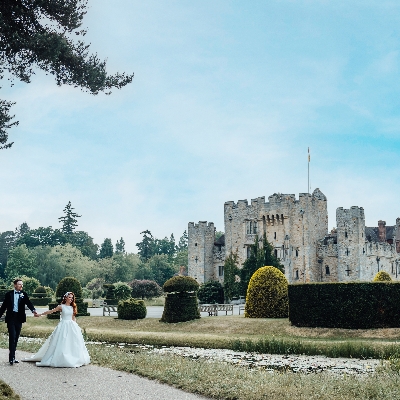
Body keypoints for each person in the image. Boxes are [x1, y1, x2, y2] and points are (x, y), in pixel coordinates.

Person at [23, 292, 90, 367]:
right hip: (63, 325)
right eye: (69, 297)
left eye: (72, 298)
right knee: (61, 341)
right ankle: (60, 358)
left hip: (71, 325)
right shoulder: (61, 306)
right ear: (65, 298)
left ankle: (73, 358)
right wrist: (40, 314)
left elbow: (73, 317)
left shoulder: (72, 307)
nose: (71, 299)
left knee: (72, 342)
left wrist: (76, 326)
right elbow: (50, 311)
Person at [0, 278, 38, 365]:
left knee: (16, 337)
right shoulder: (8, 294)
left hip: (19, 318)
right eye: (20, 284)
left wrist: (33, 310)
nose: (21, 286)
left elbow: (28, 303)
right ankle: (11, 358)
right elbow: (3, 306)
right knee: (12, 337)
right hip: (11, 318)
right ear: (15, 285)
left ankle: (13, 356)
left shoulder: (24, 294)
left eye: (22, 284)